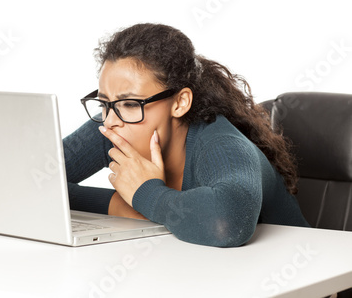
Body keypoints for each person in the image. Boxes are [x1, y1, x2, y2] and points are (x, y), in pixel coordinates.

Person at [63, 23, 309, 247]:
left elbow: (226, 224)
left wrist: (144, 194)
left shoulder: (221, 143)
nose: (110, 120)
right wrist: (117, 203)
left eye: (130, 103)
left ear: (180, 102)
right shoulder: (117, 124)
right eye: (104, 103)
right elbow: (33, 181)